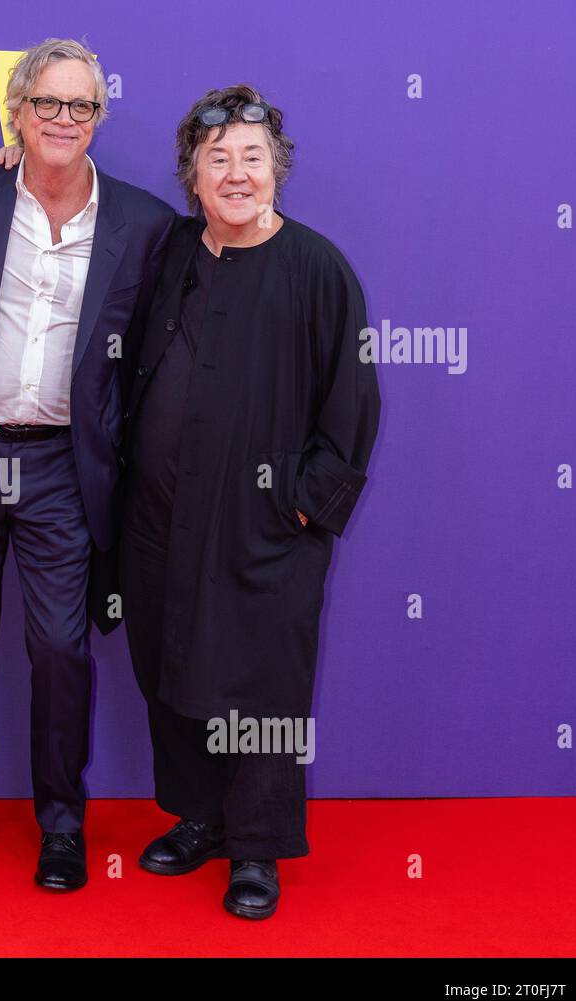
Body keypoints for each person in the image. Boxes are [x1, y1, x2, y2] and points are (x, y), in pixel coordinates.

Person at [0, 38, 173, 890]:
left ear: (99, 119)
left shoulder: (143, 223)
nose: (64, 120)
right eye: (48, 104)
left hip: (63, 463)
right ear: (16, 114)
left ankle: (61, 822)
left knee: (61, 647)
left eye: (81, 106)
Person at [118, 85, 381, 918]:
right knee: (171, 665)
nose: (235, 174)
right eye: (216, 158)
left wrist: (303, 505)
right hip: (160, 518)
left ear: (278, 171)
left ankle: (256, 850)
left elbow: (352, 405)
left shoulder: (318, 269)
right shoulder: (171, 256)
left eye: (251, 158)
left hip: (266, 524)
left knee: (261, 686)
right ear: (192, 176)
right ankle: (201, 819)